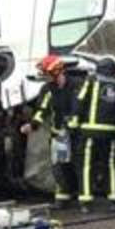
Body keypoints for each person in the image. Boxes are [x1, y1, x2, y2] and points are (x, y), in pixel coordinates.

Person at [19, 55, 78, 208]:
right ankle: (62, 198)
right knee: (59, 167)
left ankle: (78, 195)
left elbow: (79, 107)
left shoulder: (76, 86)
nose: (46, 77)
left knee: (76, 165)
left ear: (57, 71)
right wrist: (32, 125)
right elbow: (42, 110)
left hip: (76, 135)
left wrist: (72, 124)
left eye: (47, 73)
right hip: (58, 135)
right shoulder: (47, 89)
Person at [70, 56, 115, 212]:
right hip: (113, 132)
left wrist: (73, 123)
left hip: (90, 131)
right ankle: (114, 198)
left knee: (86, 165)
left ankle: (86, 201)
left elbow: (80, 100)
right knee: (112, 166)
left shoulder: (92, 80)